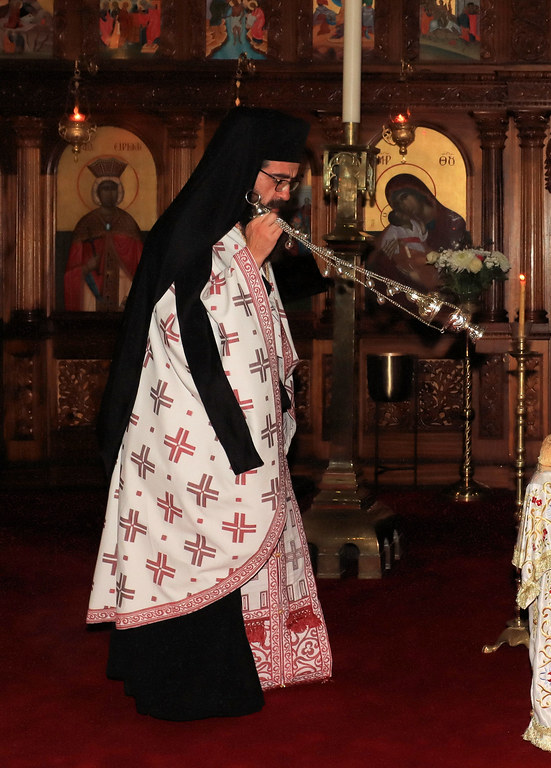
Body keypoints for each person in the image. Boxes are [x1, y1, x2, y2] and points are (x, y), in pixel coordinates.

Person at [86, 107, 332, 720]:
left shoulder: (248, 230)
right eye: (275, 180)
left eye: (291, 183)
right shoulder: (188, 231)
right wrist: (250, 257)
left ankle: (255, 659)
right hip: (183, 434)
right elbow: (184, 329)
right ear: (242, 173)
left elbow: (263, 327)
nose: (283, 195)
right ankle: (187, 683)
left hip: (235, 424)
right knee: (199, 543)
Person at [367, 173, 466, 294]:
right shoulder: (397, 227)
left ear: (419, 193)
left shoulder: (452, 221)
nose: (401, 205)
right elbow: (379, 253)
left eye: (404, 197)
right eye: (396, 204)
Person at [64, 165, 144, 312]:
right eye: (105, 188)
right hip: (91, 294)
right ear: (97, 192)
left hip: (124, 290)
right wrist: (87, 267)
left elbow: (141, 266)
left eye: (113, 188)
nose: (109, 193)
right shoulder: (86, 224)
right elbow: (70, 273)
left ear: (119, 191)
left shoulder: (128, 223)